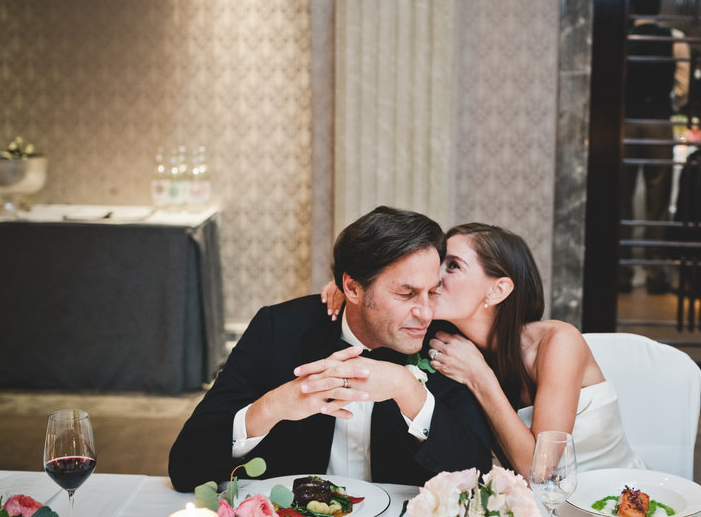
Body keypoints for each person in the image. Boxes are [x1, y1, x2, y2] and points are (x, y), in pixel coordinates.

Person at [168, 206, 493, 492]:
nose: (425, 312)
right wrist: (271, 408)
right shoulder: (278, 329)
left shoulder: (442, 345)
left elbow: (477, 475)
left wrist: (409, 391)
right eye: (406, 294)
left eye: (432, 292)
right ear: (352, 287)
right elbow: (185, 467)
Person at [321, 223, 645, 479]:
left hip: (610, 499)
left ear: (498, 289)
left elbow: (541, 471)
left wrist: (480, 376)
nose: (435, 276)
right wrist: (354, 293)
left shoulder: (559, 342)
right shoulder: (447, 339)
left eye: (453, 266)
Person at [620, 0, 691, 294]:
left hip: (624, 124)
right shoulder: (674, 39)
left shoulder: (622, 38)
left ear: (631, 8)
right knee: (658, 201)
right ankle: (654, 273)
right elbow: (683, 88)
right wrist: (668, 105)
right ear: (658, 9)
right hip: (659, 123)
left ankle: (621, 273)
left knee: (619, 199)